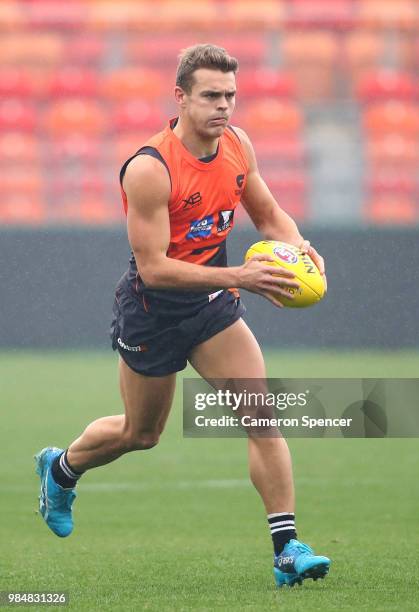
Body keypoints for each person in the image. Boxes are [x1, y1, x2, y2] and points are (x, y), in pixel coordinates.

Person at [35, 44, 330, 588]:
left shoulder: (238, 145)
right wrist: (240, 277)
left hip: (212, 306)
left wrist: (299, 244)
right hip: (152, 311)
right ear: (181, 97)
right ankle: (60, 468)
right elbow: (153, 269)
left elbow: (267, 214)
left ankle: (287, 549)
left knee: (261, 416)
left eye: (230, 96)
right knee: (141, 434)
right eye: (211, 96)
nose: (224, 107)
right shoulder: (149, 168)